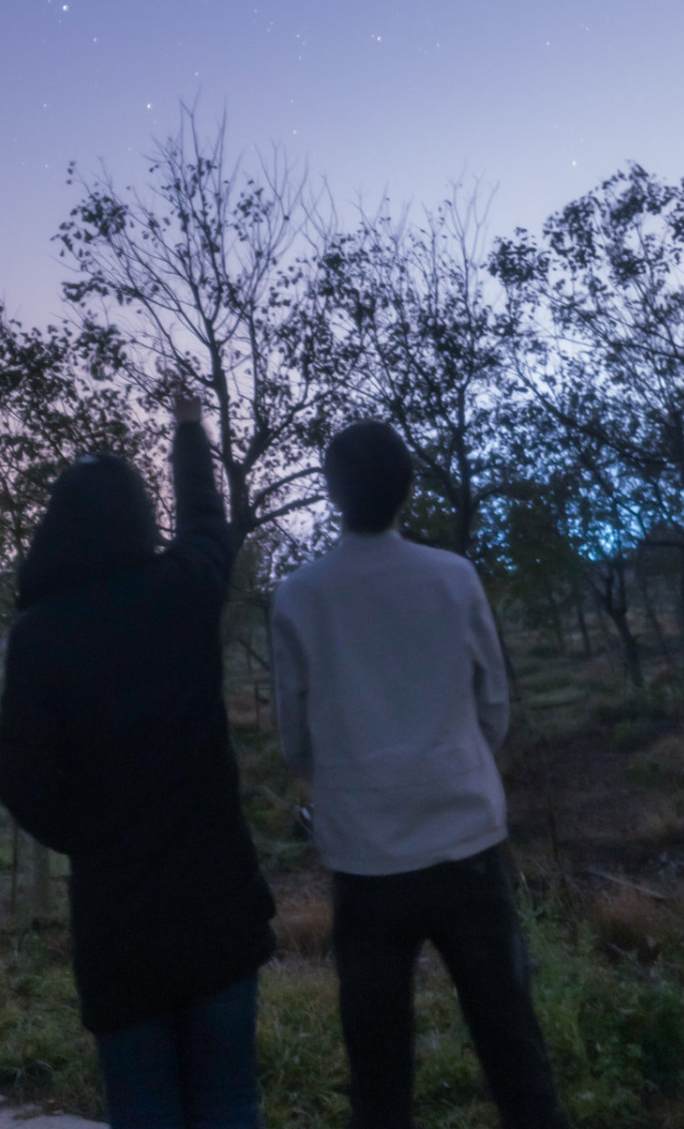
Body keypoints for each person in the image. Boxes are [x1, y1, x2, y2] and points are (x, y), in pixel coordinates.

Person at [271, 420, 569, 1129]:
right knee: (511, 1045)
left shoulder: (298, 595)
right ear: (408, 489)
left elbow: (294, 739)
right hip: (465, 841)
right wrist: (454, 763)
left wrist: (348, 781)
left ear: (332, 494)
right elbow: (491, 705)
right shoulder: (452, 576)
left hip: (363, 861)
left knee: (377, 1072)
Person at [0, 391, 275, 1129]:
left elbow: (18, 778)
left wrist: (90, 834)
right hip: (216, 900)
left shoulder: (40, 634)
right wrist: (187, 432)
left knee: (142, 1111)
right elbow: (209, 525)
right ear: (141, 521)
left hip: (118, 925)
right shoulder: (180, 591)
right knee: (229, 1102)